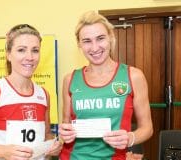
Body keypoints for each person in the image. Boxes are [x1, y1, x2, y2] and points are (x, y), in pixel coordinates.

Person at [58, 11, 153, 160]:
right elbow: (66, 125)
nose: (95, 47)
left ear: (111, 38)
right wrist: (64, 133)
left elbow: (147, 128)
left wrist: (130, 138)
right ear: (79, 44)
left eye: (100, 38)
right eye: (87, 41)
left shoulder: (133, 76)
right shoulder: (70, 79)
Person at [0, 24, 62, 160]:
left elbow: (46, 135)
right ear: (8, 54)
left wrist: (53, 146)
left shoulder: (44, 95)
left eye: (35, 50)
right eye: (21, 50)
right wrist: (4, 152)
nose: (30, 57)